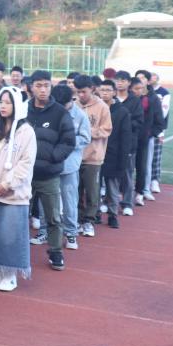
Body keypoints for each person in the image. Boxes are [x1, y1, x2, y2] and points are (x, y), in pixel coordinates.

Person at [0, 86, 36, 292]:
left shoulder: (26, 131)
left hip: (14, 194)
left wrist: (7, 184)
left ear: (17, 105)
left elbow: (26, 163)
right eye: (0, 102)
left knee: (11, 235)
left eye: (8, 102)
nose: (2, 106)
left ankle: (10, 274)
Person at [26, 70, 75, 271]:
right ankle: (17, 251)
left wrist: (53, 157)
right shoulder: (23, 110)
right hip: (24, 175)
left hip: (49, 175)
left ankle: (55, 252)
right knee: (19, 215)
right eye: (38, 85)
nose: (43, 89)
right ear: (31, 87)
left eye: (46, 85)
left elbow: (69, 141)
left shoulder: (60, 113)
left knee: (53, 216)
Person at [50, 84, 90, 251]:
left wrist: (68, 141)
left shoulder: (80, 115)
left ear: (71, 101)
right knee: (48, 200)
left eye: (64, 105)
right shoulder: (50, 111)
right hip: (50, 163)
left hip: (69, 165)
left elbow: (85, 138)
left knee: (69, 200)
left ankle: (71, 232)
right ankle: (46, 231)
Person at [76, 75, 112, 237]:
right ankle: (77, 219)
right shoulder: (74, 105)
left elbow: (106, 129)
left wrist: (87, 132)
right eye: (78, 92)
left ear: (92, 89)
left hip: (93, 157)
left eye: (83, 92)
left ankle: (89, 221)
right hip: (75, 156)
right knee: (75, 191)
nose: (81, 95)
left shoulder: (102, 107)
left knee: (92, 191)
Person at [99, 79, 133, 221]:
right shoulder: (96, 108)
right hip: (95, 154)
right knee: (94, 187)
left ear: (114, 92)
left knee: (112, 186)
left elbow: (125, 137)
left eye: (108, 90)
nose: (105, 93)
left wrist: (123, 158)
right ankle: (95, 214)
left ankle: (112, 215)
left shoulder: (122, 111)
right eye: (102, 90)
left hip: (113, 154)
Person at [132, 75, 165, 205]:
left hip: (145, 138)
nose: (140, 80)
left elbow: (159, 120)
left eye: (143, 78)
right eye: (138, 78)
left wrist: (150, 134)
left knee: (143, 165)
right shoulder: (130, 98)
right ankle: (122, 193)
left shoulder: (153, 98)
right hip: (129, 137)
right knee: (126, 166)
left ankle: (143, 191)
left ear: (147, 81)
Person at [114, 70, 143, 208]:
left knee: (127, 173)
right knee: (109, 174)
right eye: (117, 80)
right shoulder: (111, 99)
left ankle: (127, 203)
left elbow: (139, 121)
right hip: (111, 143)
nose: (119, 83)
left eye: (123, 80)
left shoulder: (135, 101)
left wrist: (123, 123)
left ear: (129, 83)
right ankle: (110, 201)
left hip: (128, 143)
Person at [148, 72, 170, 193]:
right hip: (145, 128)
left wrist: (158, 126)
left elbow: (164, 111)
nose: (152, 79)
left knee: (156, 156)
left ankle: (154, 180)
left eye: (154, 77)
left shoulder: (164, 92)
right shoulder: (144, 91)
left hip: (157, 128)